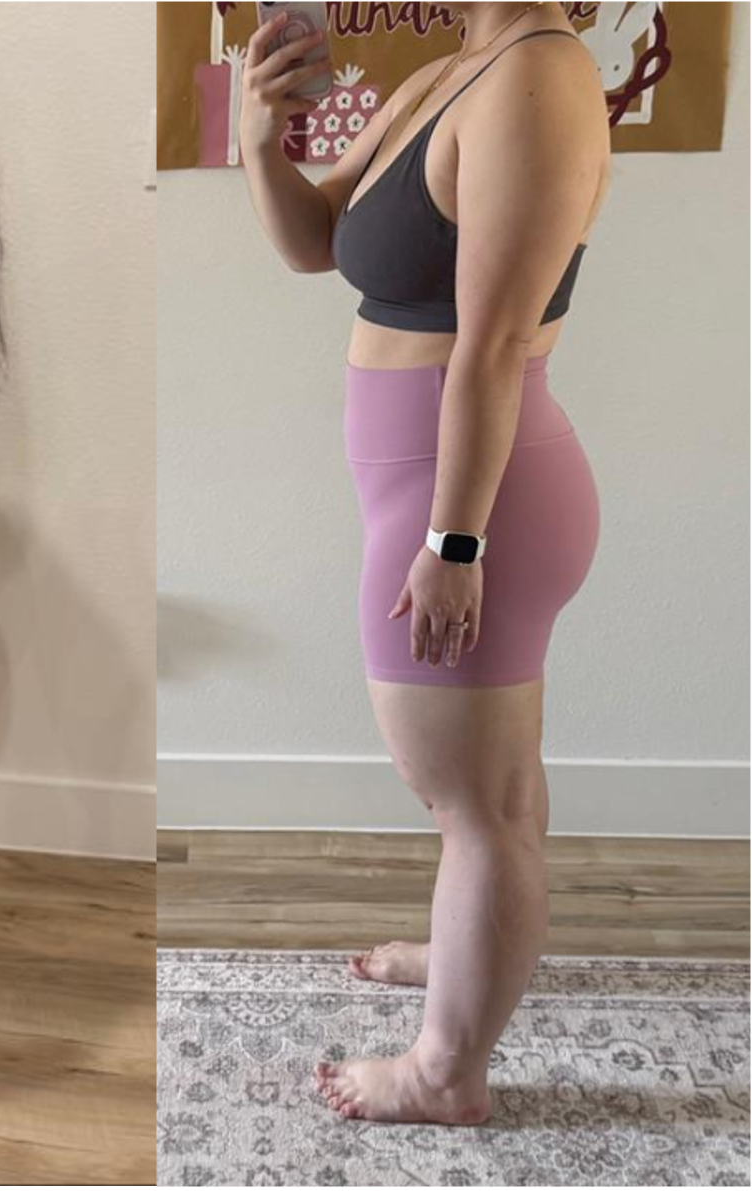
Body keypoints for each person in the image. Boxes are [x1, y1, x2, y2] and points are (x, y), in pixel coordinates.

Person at [238, 0, 609, 1124]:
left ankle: (445, 1074)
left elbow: (492, 342)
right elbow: (313, 243)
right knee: (485, 793)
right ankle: (466, 950)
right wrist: (258, 138)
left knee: (477, 806)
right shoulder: (448, 74)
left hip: (473, 505)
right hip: (430, 492)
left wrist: (454, 542)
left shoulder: (536, 82)